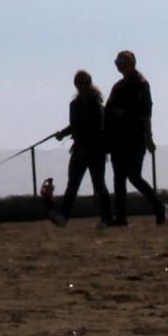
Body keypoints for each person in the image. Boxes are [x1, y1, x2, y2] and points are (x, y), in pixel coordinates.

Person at [104, 50, 165, 227]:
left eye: (122, 61)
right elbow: (108, 111)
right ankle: (121, 217)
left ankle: (159, 206)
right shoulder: (117, 87)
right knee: (119, 178)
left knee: (134, 176)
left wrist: (148, 137)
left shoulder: (141, 84)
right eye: (117, 61)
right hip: (117, 138)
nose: (118, 64)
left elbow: (146, 113)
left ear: (131, 62)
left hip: (135, 137)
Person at [47, 70, 108, 225]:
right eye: (78, 83)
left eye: (83, 83)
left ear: (89, 84)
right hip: (79, 149)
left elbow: (98, 127)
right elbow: (74, 126)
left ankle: (106, 217)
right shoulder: (74, 105)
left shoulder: (96, 104)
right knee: (73, 184)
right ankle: (64, 216)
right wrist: (63, 133)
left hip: (95, 150)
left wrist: (83, 138)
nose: (80, 86)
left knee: (99, 185)